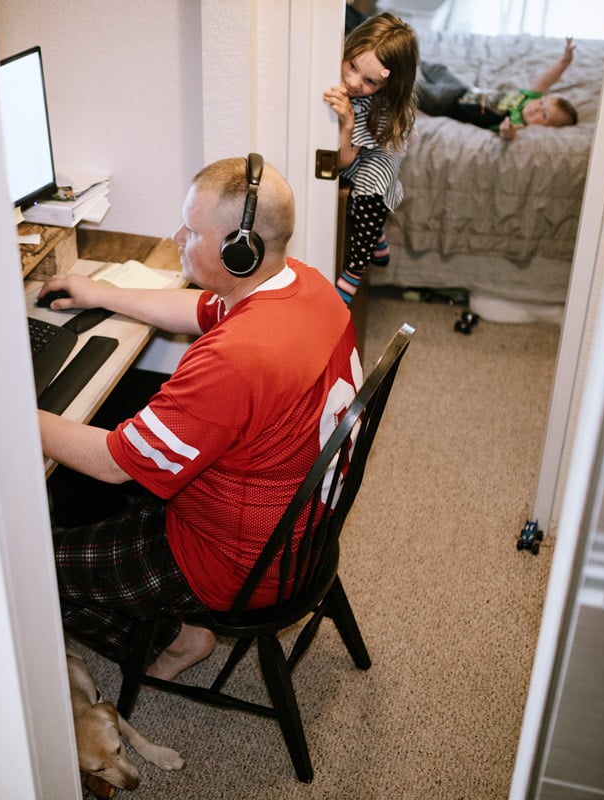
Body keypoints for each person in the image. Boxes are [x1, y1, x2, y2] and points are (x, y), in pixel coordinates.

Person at [36, 156, 362, 681]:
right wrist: (102, 294)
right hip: (299, 525)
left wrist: (7, 412)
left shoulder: (236, 359)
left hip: (234, 559)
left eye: (191, 232)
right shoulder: (303, 284)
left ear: (239, 250)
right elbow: (199, 310)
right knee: (121, 433)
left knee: (31, 565)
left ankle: (179, 638)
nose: (176, 236)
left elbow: (113, 463)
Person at [322, 12, 420, 306]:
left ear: (387, 85)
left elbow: (344, 161)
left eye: (369, 81)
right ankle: (378, 238)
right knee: (347, 190)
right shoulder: (331, 67)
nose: (352, 82)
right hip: (352, 154)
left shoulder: (383, 110)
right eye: (351, 66)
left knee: (368, 194)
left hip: (378, 155)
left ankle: (355, 270)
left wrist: (349, 123)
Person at [416, 37, 578, 142]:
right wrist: (563, 63)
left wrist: (507, 131)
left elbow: (506, 133)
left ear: (547, 128)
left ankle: (395, 76)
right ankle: (411, 58)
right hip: (464, 89)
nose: (535, 108)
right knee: (439, 69)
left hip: (450, 105)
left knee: (419, 92)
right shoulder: (528, 98)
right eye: (541, 102)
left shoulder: (517, 122)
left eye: (543, 115)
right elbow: (545, 80)